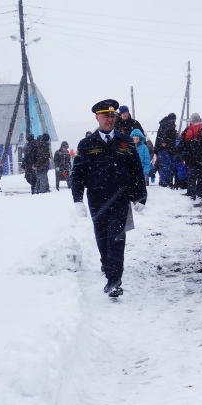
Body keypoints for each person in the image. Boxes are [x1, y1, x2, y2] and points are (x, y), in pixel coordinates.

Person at [72, 99, 148, 298]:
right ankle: (107, 265)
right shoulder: (87, 144)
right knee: (102, 236)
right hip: (97, 198)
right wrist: (77, 200)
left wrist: (140, 196)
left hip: (120, 198)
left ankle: (114, 280)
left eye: (112, 115)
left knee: (117, 237)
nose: (109, 119)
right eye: (105, 115)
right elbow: (78, 173)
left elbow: (136, 171)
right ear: (97, 117)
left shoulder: (125, 142)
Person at [179, 113, 202, 200]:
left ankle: (195, 192)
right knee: (196, 175)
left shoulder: (198, 130)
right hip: (196, 157)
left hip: (196, 157)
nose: (193, 121)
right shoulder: (198, 129)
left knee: (195, 175)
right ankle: (196, 192)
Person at [155, 113, 179, 188]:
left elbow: (161, 135)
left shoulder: (163, 124)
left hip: (163, 148)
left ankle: (165, 181)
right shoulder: (169, 124)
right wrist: (164, 141)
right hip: (166, 148)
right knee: (167, 164)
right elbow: (166, 135)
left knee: (166, 164)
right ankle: (165, 181)